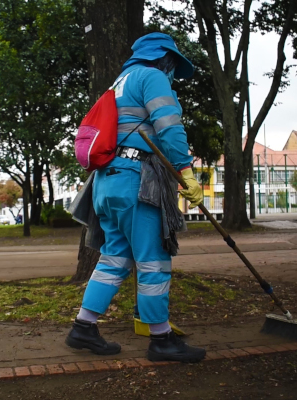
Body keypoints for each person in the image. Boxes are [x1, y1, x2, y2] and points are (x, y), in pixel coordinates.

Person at [66, 32, 206, 363]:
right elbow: (170, 127)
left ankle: (83, 327)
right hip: (136, 180)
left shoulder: (119, 82)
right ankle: (161, 339)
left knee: (114, 257)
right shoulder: (152, 76)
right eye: (173, 63)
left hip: (106, 182)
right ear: (165, 58)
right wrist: (186, 172)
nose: (172, 71)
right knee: (153, 259)